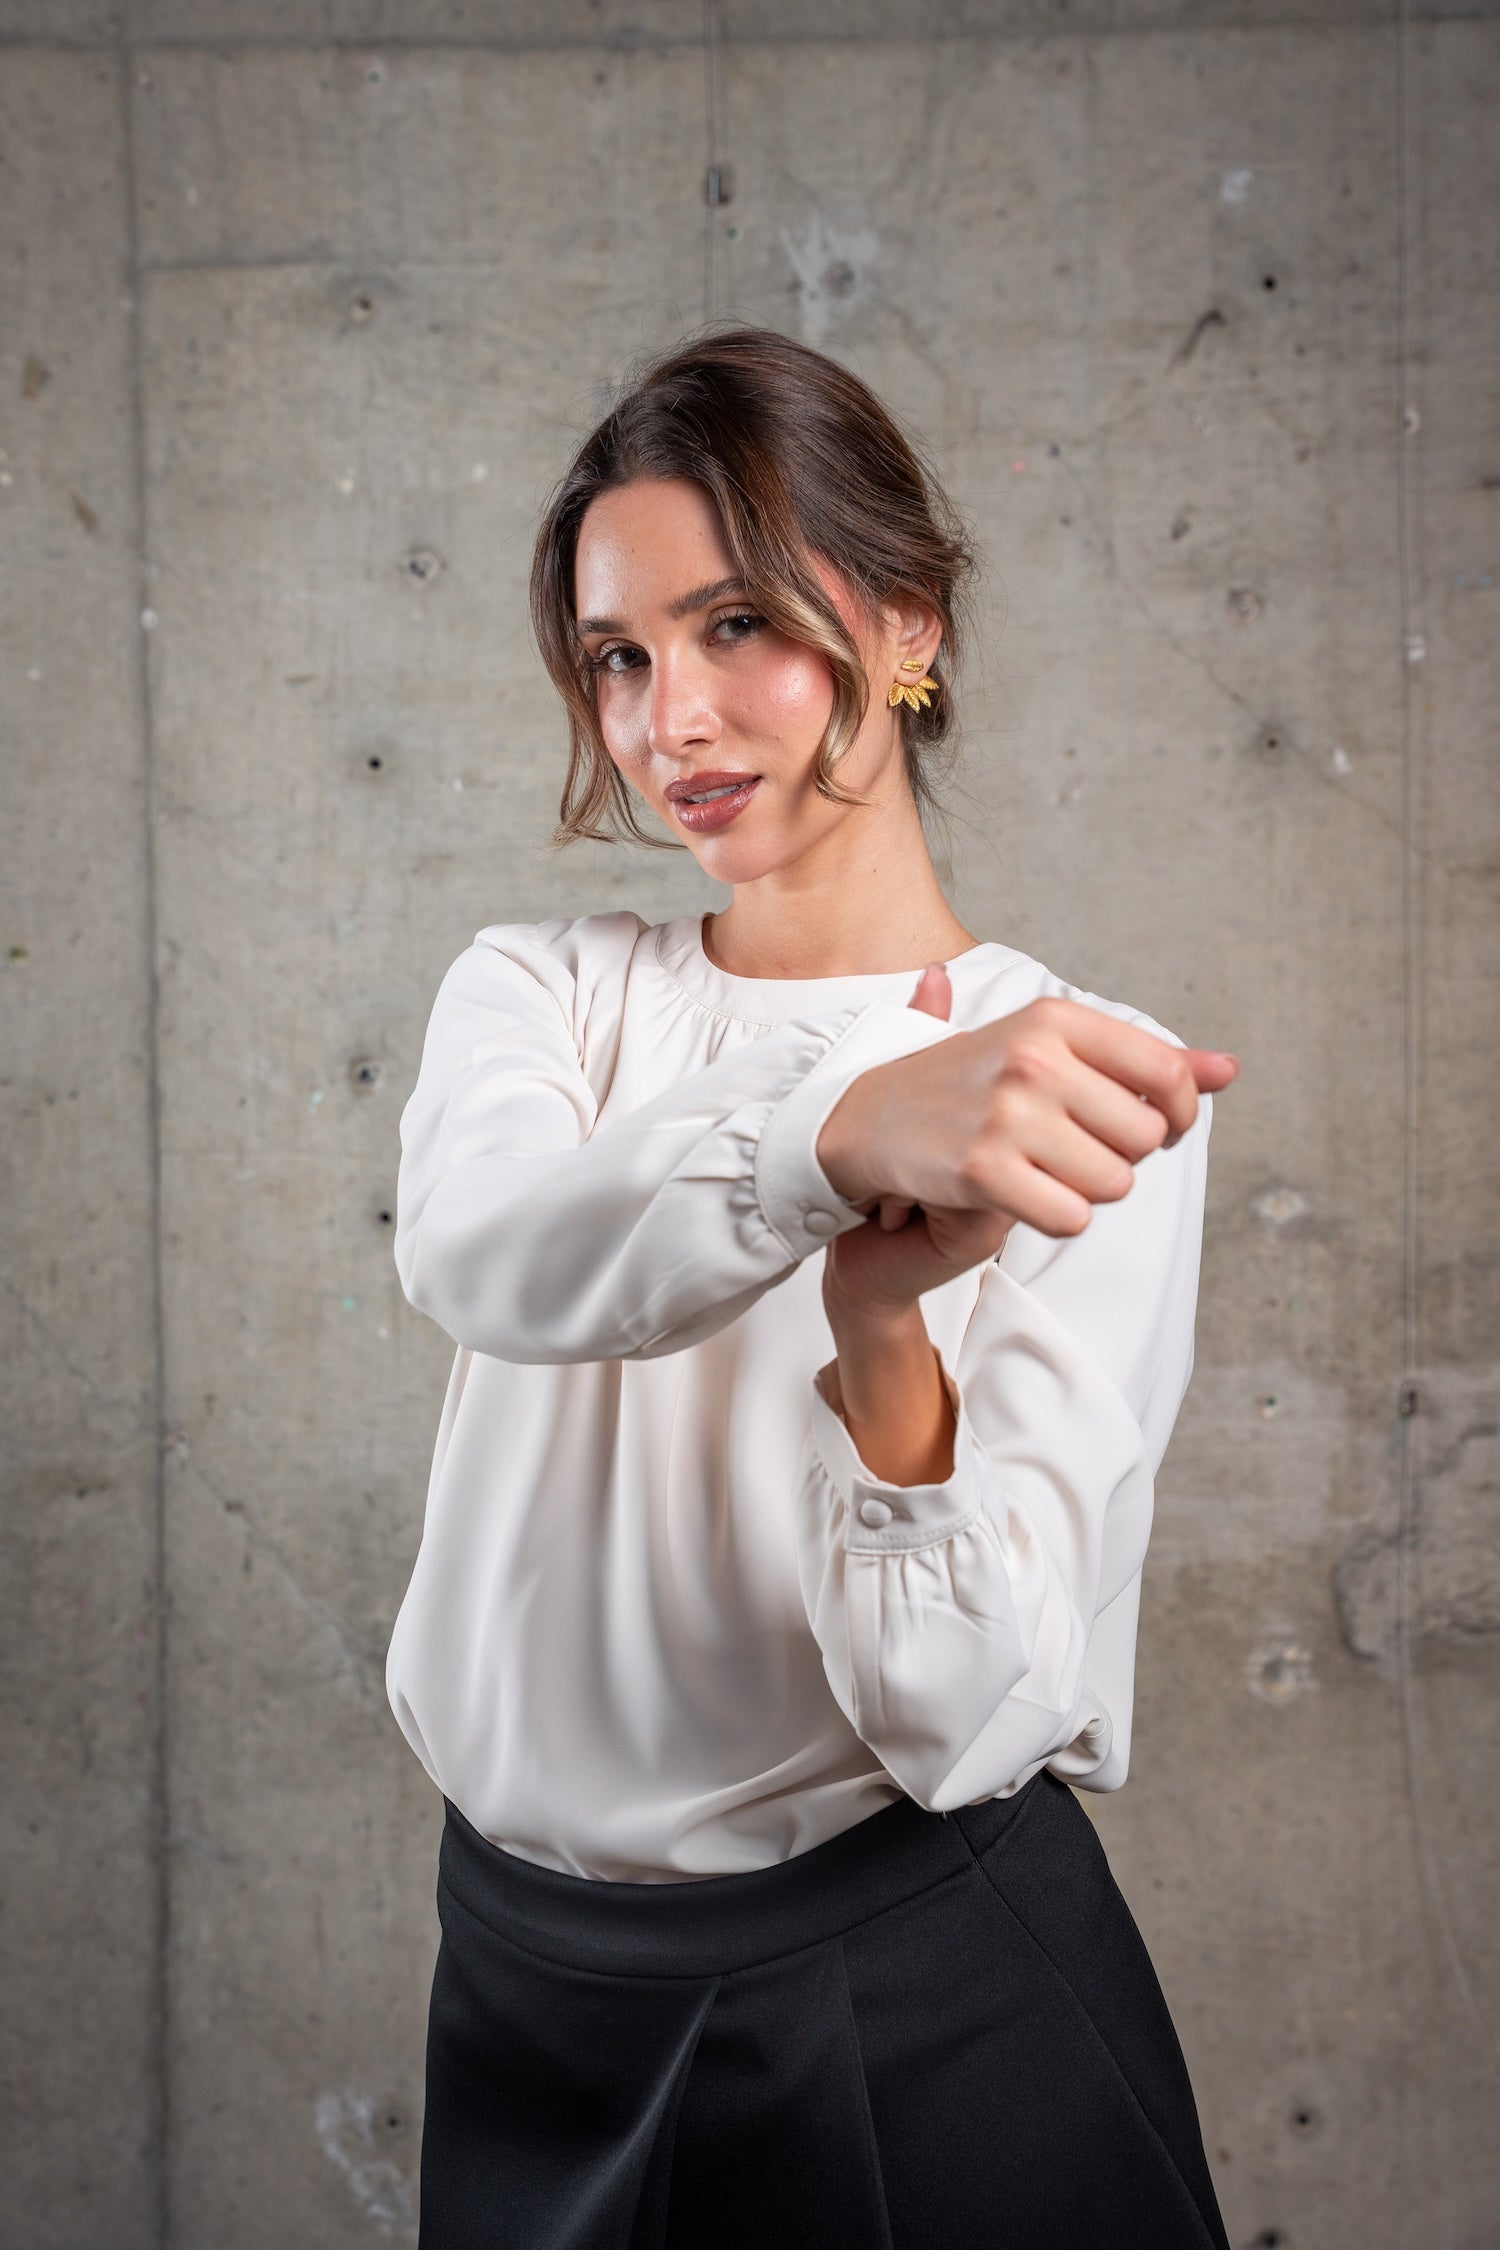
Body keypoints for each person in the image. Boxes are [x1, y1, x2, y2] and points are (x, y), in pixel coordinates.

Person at [387, 326, 1238, 2249]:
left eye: (739, 625)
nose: (671, 716)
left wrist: (883, 1343)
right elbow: (485, 1253)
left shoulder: (1071, 1067)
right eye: (620, 655)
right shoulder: (546, 992)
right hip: (526, 1987)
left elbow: (966, 1719)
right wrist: (836, 1127)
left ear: (908, 626)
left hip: (911, 1991)